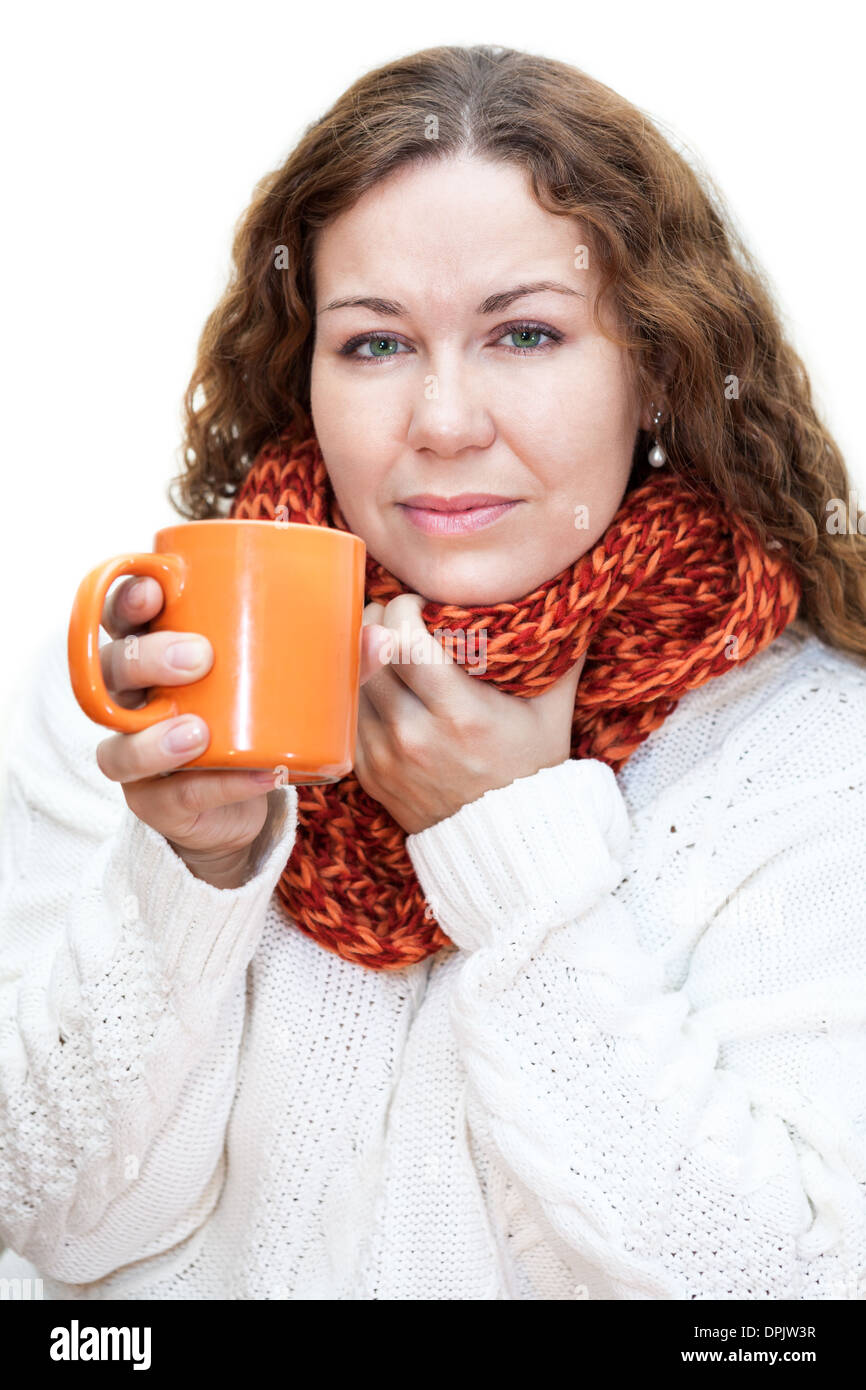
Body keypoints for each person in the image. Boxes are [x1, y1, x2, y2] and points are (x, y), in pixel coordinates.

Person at [1, 43, 865, 1301]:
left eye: (523, 333)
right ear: (303, 371)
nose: (445, 420)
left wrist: (514, 856)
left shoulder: (814, 757)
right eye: (373, 344)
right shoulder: (145, 697)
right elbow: (51, 1230)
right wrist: (188, 876)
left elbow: (782, 1307)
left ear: (659, 368)